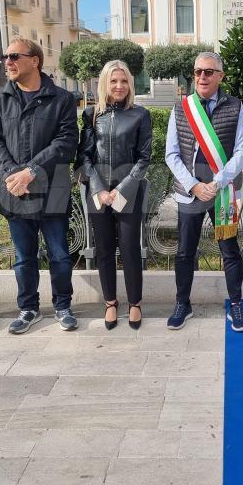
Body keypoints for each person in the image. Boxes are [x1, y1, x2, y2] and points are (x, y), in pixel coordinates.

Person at [0, 37, 79, 334]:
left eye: (14, 56)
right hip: (15, 191)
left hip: (52, 190)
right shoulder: (1, 98)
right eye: (6, 57)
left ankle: (63, 306)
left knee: (60, 255)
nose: (8, 62)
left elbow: (65, 143)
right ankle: (28, 309)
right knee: (24, 257)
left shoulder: (61, 99)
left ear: (34, 60)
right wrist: (14, 175)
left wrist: (32, 171)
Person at [165, 52, 243, 332]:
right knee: (184, 252)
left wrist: (217, 182)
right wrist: (194, 185)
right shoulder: (181, 108)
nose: (202, 77)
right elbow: (171, 154)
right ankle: (182, 303)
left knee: (230, 251)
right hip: (190, 192)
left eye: (209, 72)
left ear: (220, 76)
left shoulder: (236, 107)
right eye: (198, 72)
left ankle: (236, 304)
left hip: (222, 193)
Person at [76, 60, 151, 330]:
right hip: (97, 192)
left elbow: (144, 158)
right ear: (104, 84)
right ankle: (110, 303)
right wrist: (99, 189)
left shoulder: (140, 114)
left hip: (127, 192)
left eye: (124, 81)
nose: (119, 86)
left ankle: (134, 304)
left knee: (130, 249)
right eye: (113, 81)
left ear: (130, 84)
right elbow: (83, 156)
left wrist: (120, 190)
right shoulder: (90, 114)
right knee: (105, 250)